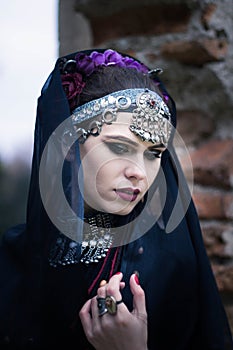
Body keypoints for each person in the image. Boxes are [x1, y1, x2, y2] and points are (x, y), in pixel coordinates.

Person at [0, 48, 232, 350]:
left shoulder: (171, 270)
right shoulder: (12, 258)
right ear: (69, 148)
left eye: (154, 154)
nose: (139, 172)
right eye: (119, 148)